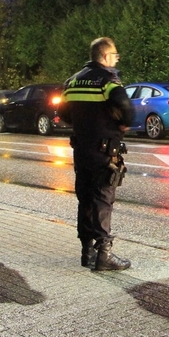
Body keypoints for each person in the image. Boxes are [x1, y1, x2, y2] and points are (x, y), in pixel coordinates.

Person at [57, 37, 135, 271]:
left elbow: (63, 113)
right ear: (104, 56)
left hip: (81, 149)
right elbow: (126, 107)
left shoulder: (72, 82)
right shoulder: (108, 81)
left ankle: (86, 251)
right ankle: (104, 254)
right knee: (103, 198)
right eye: (114, 56)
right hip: (104, 150)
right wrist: (124, 124)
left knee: (85, 199)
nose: (115, 60)